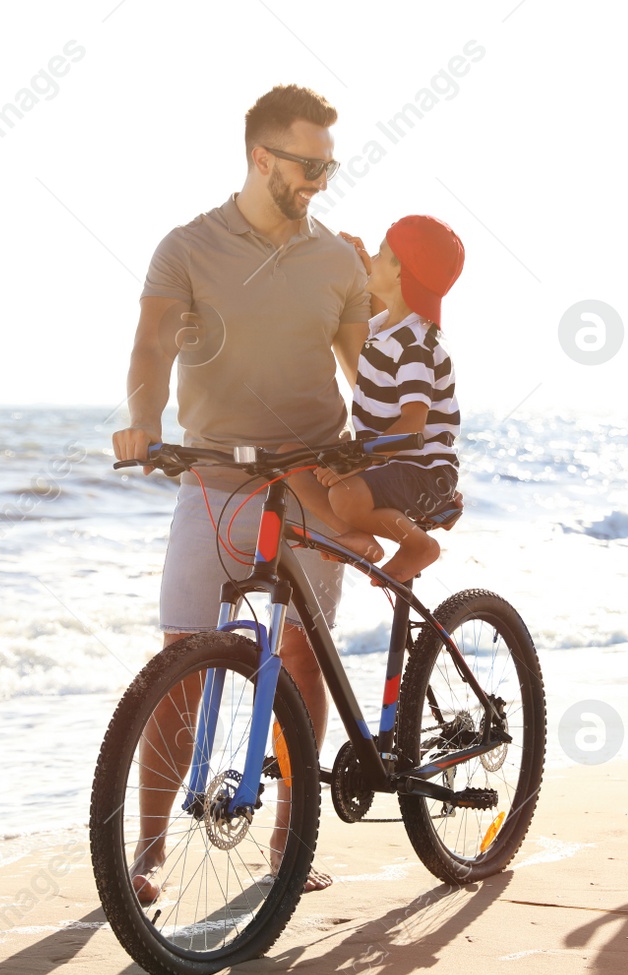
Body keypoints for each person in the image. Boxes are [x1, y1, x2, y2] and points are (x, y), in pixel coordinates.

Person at [111, 84, 372, 900]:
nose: (320, 180)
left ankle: (293, 840)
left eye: (330, 165)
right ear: (261, 156)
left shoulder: (337, 261)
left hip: (310, 482)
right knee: (181, 659)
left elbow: (366, 372)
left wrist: (390, 467)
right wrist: (143, 423)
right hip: (215, 479)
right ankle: (150, 848)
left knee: (301, 660)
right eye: (308, 164)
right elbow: (152, 345)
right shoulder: (188, 247)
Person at [317, 216, 465, 584]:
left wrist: (358, 459)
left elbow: (413, 423)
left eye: (382, 254)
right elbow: (385, 299)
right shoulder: (387, 329)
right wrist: (369, 265)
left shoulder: (415, 346)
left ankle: (419, 546)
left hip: (425, 473)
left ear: (402, 274)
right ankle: (358, 532)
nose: (374, 258)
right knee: (298, 462)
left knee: (346, 495)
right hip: (394, 463)